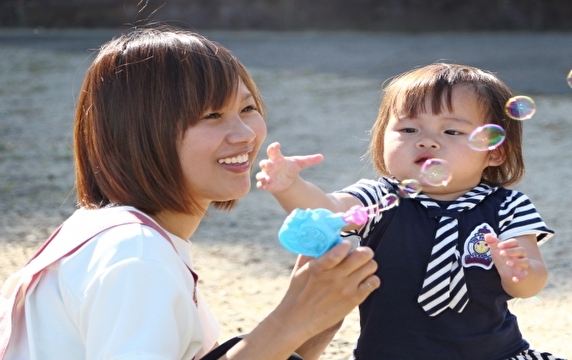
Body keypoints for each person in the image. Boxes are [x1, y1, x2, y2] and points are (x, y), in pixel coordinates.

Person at [0, 25, 380, 360]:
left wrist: (309, 329)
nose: (245, 135)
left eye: (247, 108)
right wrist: (291, 321)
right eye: (211, 116)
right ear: (140, 135)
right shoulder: (136, 256)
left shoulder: (107, 232)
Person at [256, 63, 565, 359]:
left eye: (452, 132)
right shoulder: (380, 197)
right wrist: (289, 185)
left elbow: (531, 284)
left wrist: (518, 272)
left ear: (495, 151)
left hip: (493, 354)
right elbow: (328, 210)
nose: (427, 141)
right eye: (409, 129)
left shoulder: (508, 207)